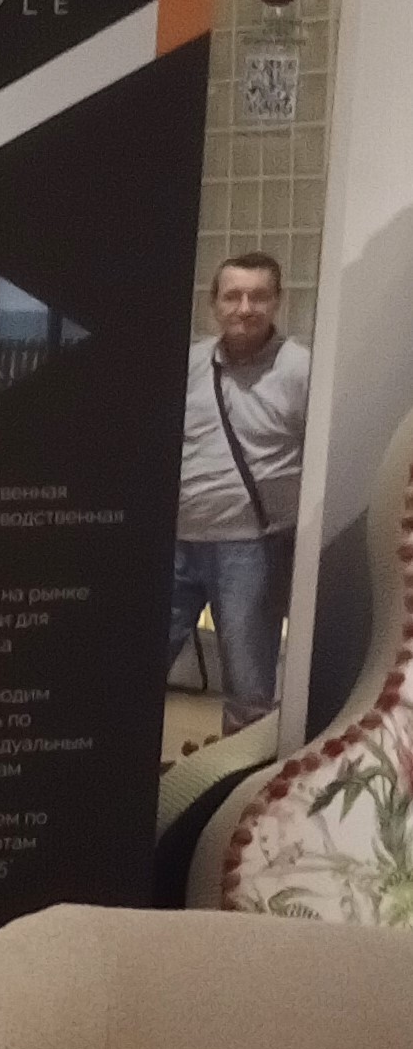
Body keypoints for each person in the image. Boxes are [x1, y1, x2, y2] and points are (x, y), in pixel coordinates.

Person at [171, 251, 312, 731]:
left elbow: (324, 454)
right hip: (175, 543)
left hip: (252, 550)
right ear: (214, 304)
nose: (246, 308)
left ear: (276, 302)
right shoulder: (190, 363)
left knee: (248, 691)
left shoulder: (300, 370)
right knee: (131, 668)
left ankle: (239, 776)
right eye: (233, 296)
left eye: (258, 296)